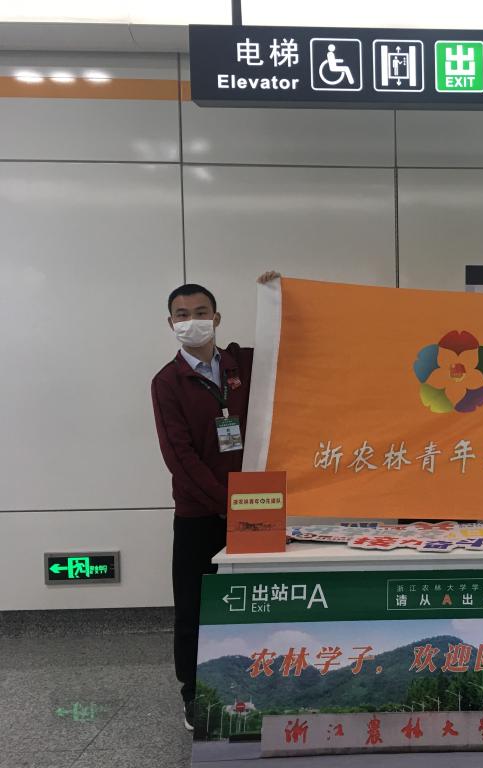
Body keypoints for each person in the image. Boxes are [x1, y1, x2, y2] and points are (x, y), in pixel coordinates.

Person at [151, 272, 278, 731]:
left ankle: (259, 683)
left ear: (217, 318)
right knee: (195, 605)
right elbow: (179, 457)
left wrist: (277, 293)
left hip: (258, 506)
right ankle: (193, 691)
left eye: (201, 313)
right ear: (171, 324)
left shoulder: (243, 364)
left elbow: (288, 342)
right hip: (200, 513)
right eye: (182, 315)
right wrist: (226, 503)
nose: (192, 321)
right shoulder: (168, 382)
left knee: (258, 597)